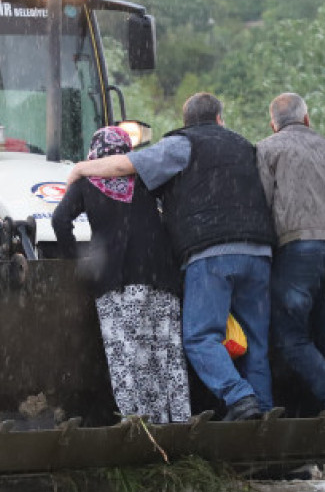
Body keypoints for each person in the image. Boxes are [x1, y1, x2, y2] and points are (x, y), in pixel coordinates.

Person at [67, 93, 276, 422]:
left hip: (211, 253)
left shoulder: (183, 144)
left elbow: (126, 165)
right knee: (256, 342)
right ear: (220, 119)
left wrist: (81, 169)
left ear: (185, 121)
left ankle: (240, 397)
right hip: (259, 250)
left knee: (199, 336)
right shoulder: (244, 145)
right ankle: (265, 424)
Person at [52, 126, 191, 424]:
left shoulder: (86, 183)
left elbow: (60, 219)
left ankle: (141, 428)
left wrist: (77, 261)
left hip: (117, 281)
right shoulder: (148, 178)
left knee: (127, 357)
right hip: (162, 278)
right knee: (164, 355)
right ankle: (177, 424)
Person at [257, 93, 325, 417]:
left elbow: (261, 201)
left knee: (290, 336)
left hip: (300, 247)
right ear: (307, 119)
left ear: (273, 124)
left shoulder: (267, 148)